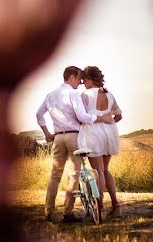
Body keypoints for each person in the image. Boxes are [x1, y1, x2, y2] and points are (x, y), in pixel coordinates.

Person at [36, 66, 116, 223]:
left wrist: (47, 133)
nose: (80, 83)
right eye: (79, 79)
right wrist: (100, 118)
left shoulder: (50, 95)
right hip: (74, 137)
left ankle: (48, 212)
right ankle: (68, 213)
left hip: (58, 138)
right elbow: (82, 116)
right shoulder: (73, 94)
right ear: (71, 77)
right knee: (74, 175)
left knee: (55, 175)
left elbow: (39, 114)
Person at [81, 65, 123, 219]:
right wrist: (108, 122)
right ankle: (116, 204)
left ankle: (100, 208)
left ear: (90, 79)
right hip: (109, 132)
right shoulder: (109, 94)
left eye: (84, 79)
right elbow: (119, 116)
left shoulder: (85, 95)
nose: (83, 82)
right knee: (105, 169)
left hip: (94, 133)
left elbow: (81, 116)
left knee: (97, 170)